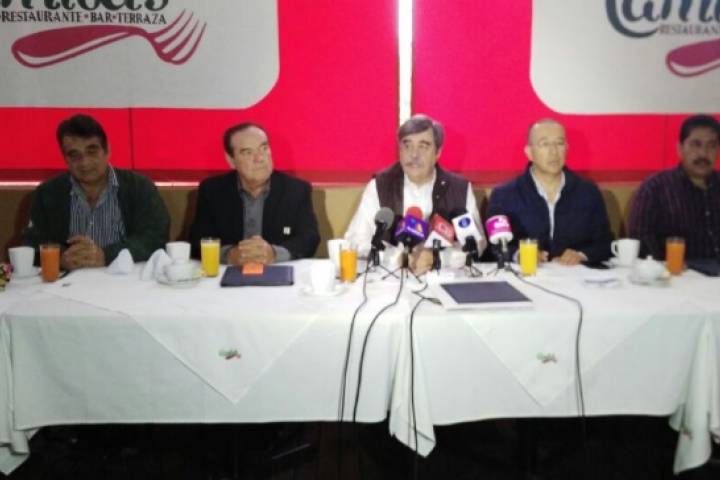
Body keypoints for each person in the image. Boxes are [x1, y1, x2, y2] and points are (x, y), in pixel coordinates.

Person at [21, 114, 170, 270]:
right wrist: (60, 258)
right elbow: (30, 243)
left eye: (91, 152)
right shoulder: (47, 193)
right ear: (65, 158)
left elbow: (156, 239)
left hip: (123, 279)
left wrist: (106, 255)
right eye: (74, 155)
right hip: (69, 281)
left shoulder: (139, 187)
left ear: (107, 150)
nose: (84, 163)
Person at [344, 114, 485, 273]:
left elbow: (478, 244)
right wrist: (396, 257)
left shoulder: (459, 188)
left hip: (442, 277)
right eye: (407, 146)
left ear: (438, 152)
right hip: (392, 278)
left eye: (423, 146)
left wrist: (439, 257)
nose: (414, 154)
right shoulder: (379, 185)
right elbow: (355, 240)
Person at [189, 122, 319, 264]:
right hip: (229, 272)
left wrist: (274, 253)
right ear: (231, 160)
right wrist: (229, 255)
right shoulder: (212, 190)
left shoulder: (296, 189)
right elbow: (197, 241)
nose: (260, 158)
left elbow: (309, 238)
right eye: (248, 152)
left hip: (277, 271)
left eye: (264, 148)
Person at [487, 119, 612, 265]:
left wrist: (581, 255)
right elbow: (493, 247)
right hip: (527, 274)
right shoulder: (504, 195)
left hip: (574, 275)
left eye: (559, 143)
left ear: (567, 148)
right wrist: (519, 255)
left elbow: (605, 243)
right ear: (529, 153)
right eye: (544, 144)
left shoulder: (588, 192)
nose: (553, 152)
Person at [629, 114, 720, 260]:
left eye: (712, 146)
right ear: (680, 148)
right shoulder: (655, 190)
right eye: (695, 144)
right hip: (674, 272)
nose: (703, 153)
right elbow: (642, 246)